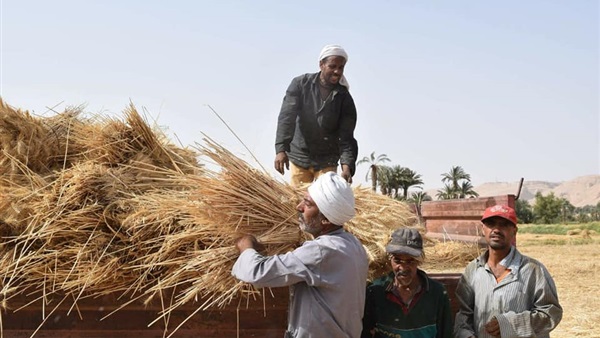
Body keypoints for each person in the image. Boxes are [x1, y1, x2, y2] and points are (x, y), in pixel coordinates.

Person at [231, 172, 369, 338]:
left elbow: (257, 273)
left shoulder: (320, 251)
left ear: (325, 219)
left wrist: (246, 246)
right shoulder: (354, 245)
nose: (299, 207)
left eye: (308, 204)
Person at [454, 205, 563, 338]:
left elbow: (551, 313)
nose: (496, 230)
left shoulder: (533, 270)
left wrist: (510, 325)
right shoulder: (473, 269)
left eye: (504, 225)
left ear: (514, 231)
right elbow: (464, 314)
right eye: (491, 224)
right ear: (483, 229)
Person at [274, 44, 358, 186]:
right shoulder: (300, 84)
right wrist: (281, 149)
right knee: (298, 201)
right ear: (321, 64)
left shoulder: (344, 98)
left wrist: (347, 166)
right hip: (300, 155)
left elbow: (347, 137)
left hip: (327, 160)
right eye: (332, 66)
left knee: (324, 202)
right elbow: (287, 118)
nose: (337, 71)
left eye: (341, 67)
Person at [362, 228, 453, 338]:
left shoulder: (437, 293)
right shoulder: (375, 292)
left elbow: (446, 334)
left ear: (419, 261)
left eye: (410, 261)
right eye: (397, 260)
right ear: (390, 259)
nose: (403, 267)